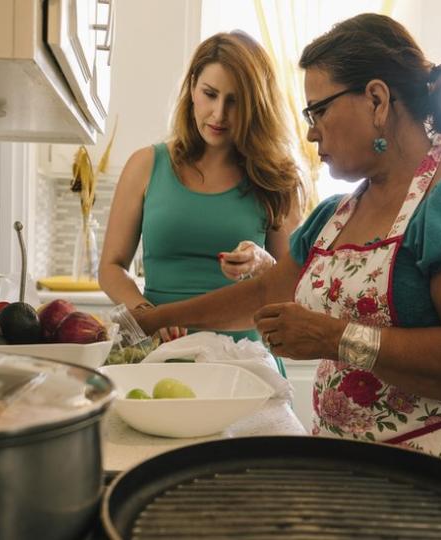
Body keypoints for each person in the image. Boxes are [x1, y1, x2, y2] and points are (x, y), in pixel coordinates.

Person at [130, 13, 441, 520]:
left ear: (377, 101)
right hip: (373, 484)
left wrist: (336, 338)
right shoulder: (337, 214)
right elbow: (264, 293)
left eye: (317, 110)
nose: (311, 133)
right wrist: (154, 320)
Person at [99, 31, 304, 364]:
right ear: (193, 87)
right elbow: (111, 267)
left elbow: (291, 286)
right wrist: (147, 315)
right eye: (210, 94)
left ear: (255, 105)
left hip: (242, 361)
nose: (219, 114)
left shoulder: (276, 178)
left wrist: (261, 262)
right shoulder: (145, 165)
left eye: (234, 101)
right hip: (157, 351)